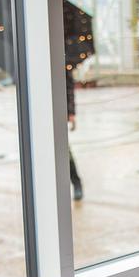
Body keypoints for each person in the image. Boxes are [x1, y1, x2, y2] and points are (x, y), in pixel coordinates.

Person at [67, 66, 83, 201]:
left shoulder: (62, 63)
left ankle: (76, 182)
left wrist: (71, 112)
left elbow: (68, 87)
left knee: (65, 154)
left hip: (57, 116)